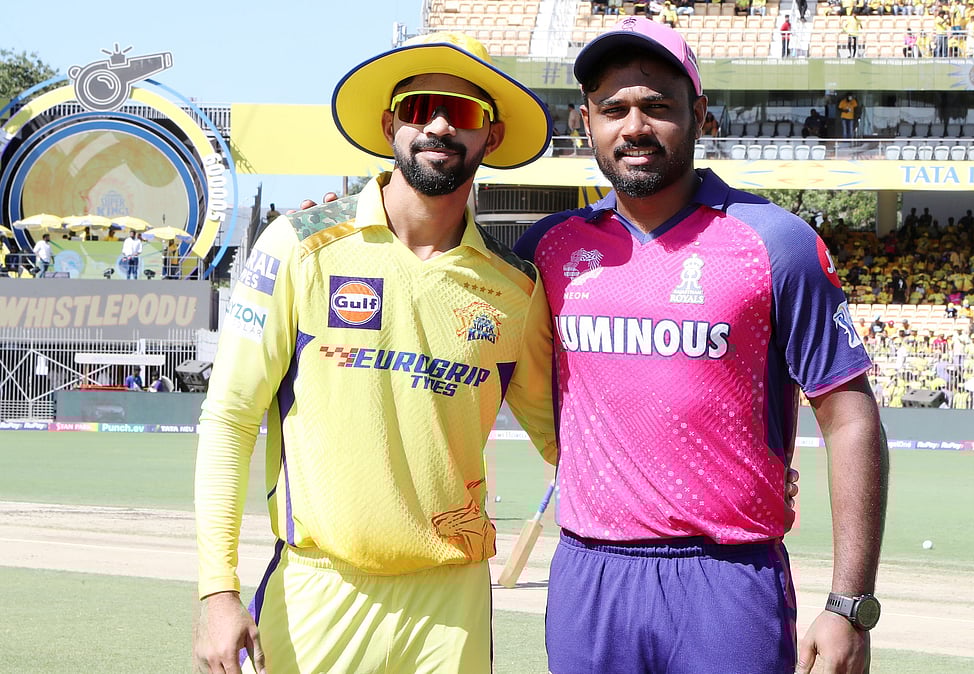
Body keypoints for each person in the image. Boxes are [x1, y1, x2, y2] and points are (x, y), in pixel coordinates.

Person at [515, 18, 887, 674]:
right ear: (586, 122)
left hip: (727, 578)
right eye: (614, 109)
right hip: (589, 575)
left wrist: (850, 602)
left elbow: (850, 415)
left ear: (701, 116)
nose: (635, 126)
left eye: (657, 106)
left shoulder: (774, 243)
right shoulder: (547, 248)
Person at [192, 31, 558, 674]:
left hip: (452, 599)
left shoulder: (516, 289)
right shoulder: (299, 245)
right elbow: (229, 420)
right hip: (318, 588)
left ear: (491, 138)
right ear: (392, 124)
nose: (440, 126)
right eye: (420, 109)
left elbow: (568, 441)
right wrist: (215, 589)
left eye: (465, 114)